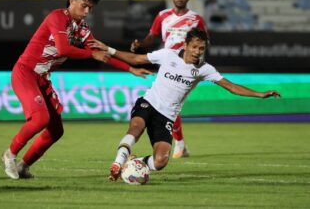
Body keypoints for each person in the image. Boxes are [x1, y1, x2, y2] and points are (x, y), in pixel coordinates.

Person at [1, 0, 152, 180]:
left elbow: (100, 52)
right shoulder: (57, 17)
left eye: (91, 7)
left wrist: (130, 68)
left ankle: (23, 166)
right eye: (84, 5)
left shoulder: (81, 28)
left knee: (55, 130)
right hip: (26, 73)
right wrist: (91, 54)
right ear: (71, 0)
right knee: (40, 119)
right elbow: (64, 50)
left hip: (43, 79)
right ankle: (10, 154)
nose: (87, 11)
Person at [90, 27, 281, 181]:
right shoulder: (168, 55)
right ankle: (117, 163)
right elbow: (136, 58)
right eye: (195, 47)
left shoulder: (204, 69)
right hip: (149, 102)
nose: (198, 52)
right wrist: (109, 49)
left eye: (202, 49)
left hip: (167, 116)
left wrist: (259, 94)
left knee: (160, 162)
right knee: (136, 127)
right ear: (186, 45)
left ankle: (133, 163)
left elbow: (230, 86)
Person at [130, 0, 208, 159]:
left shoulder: (196, 19)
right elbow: (152, 36)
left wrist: (198, 63)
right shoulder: (162, 16)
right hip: (168, 64)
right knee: (170, 105)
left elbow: (205, 41)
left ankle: (180, 143)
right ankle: (180, 144)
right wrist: (141, 45)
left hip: (187, 67)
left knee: (171, 105)